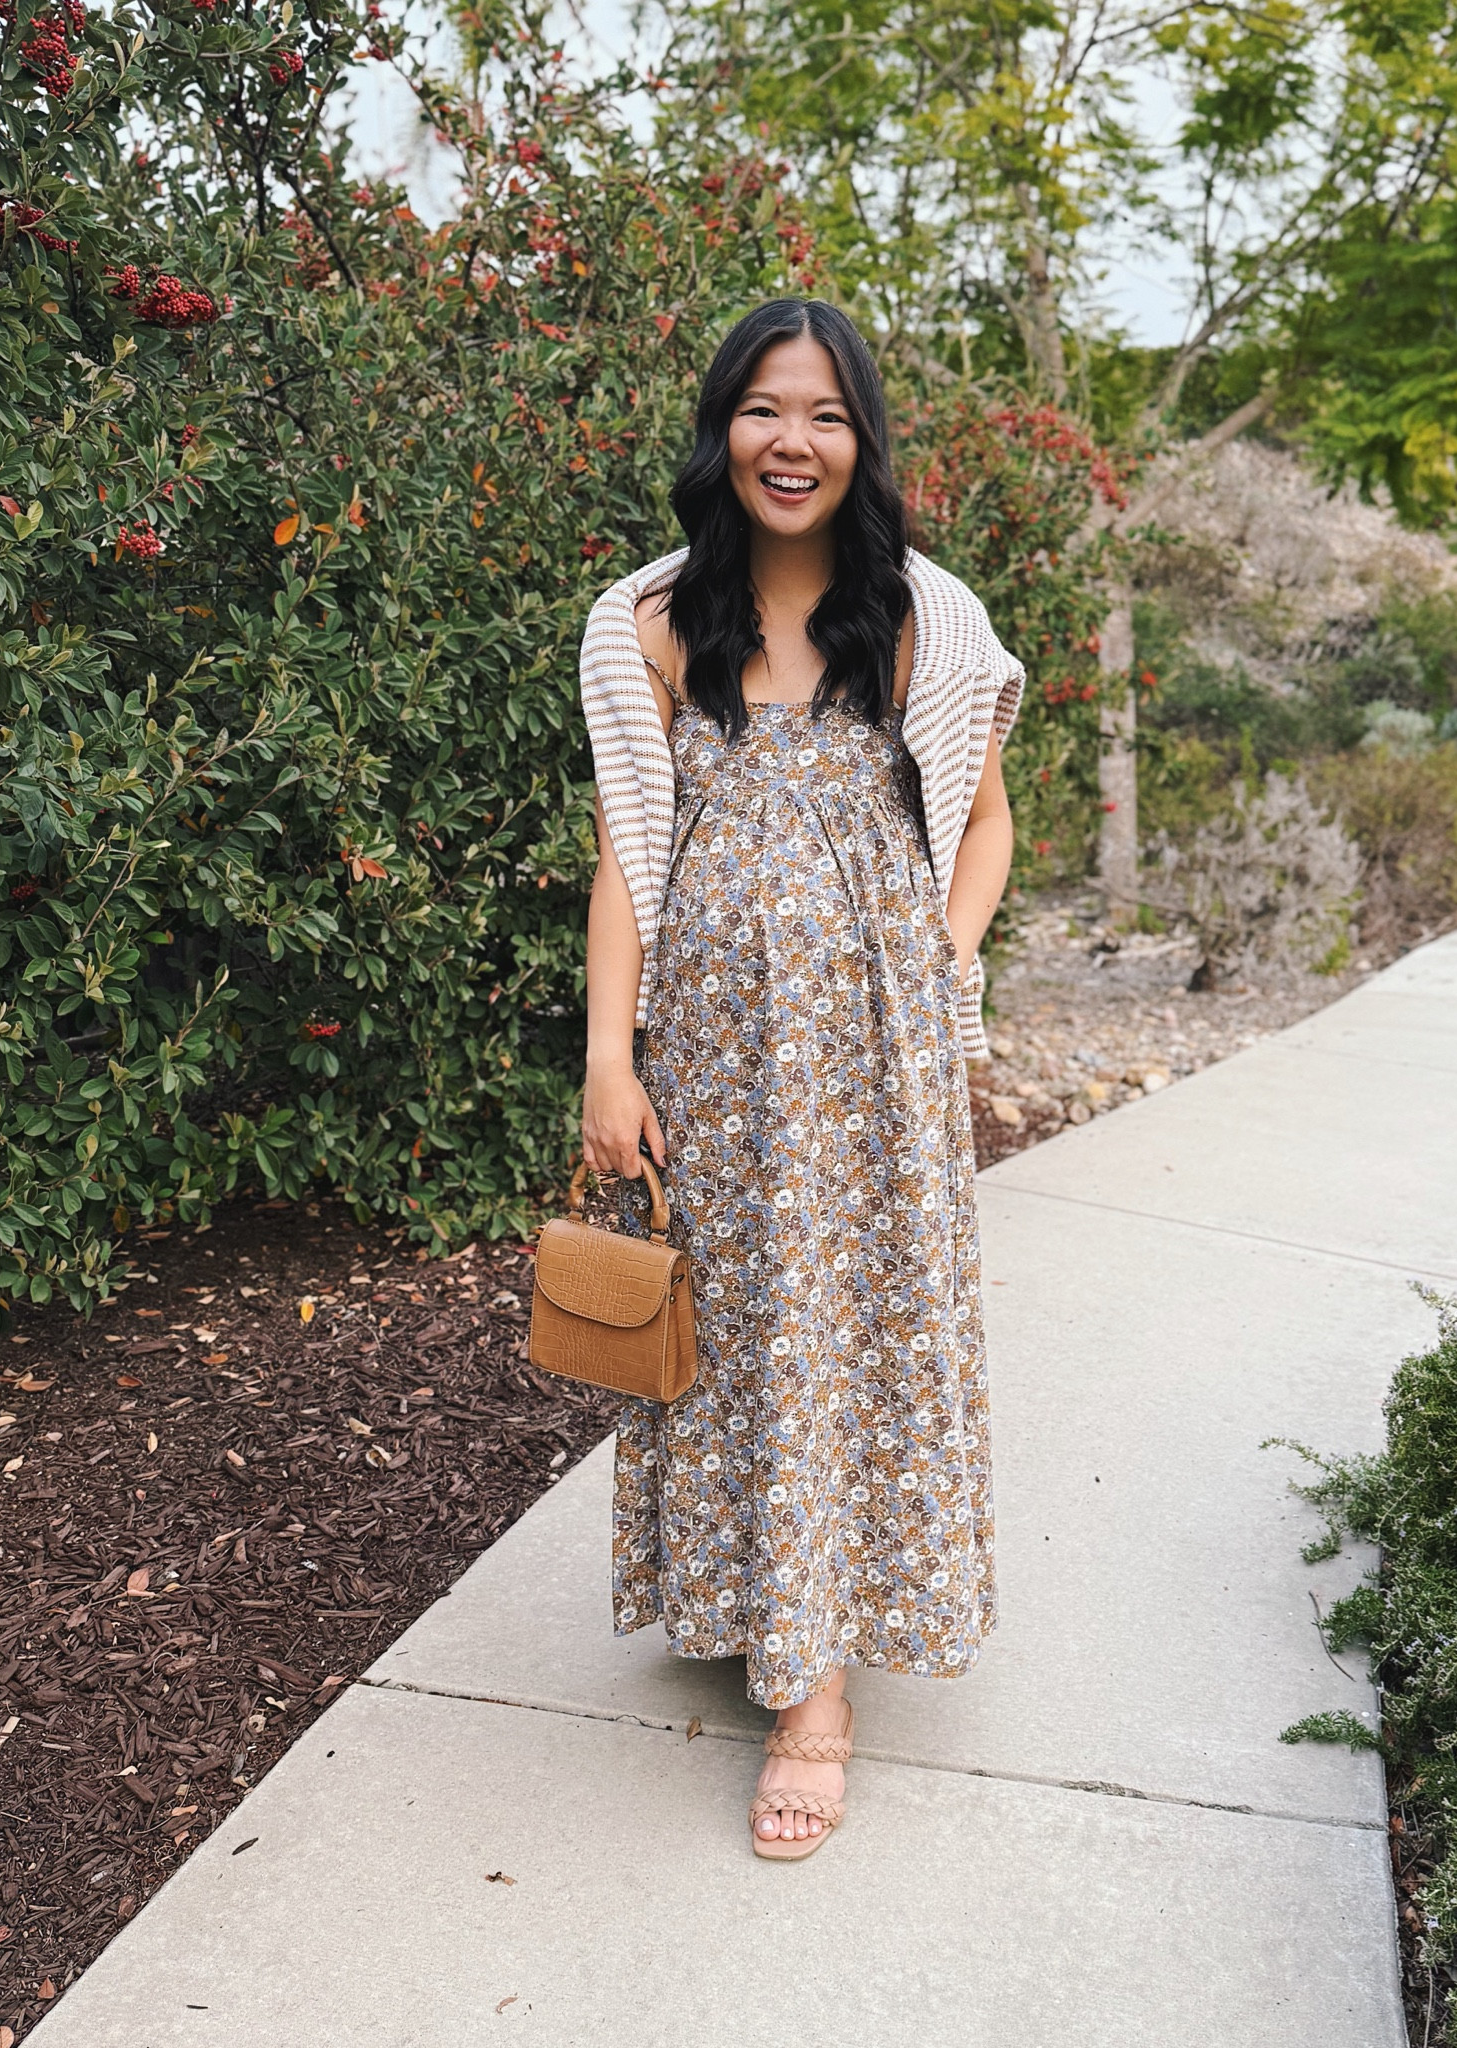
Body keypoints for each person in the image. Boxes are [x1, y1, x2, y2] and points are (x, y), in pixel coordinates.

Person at [577, 298, 1023, 1860]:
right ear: (724, 431)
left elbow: (980, 827)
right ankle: (745, 1597)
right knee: (731, 1333)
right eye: (767, 410)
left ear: (861, 443)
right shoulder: (647, 627)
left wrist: (937, 965)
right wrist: (606, 1057)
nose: (794, 442)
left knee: (847, 1334)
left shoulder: (916, 623)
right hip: (711, 1063)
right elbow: (629, 860)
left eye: (826, 416)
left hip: (871, 1067)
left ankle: (815, 1697)